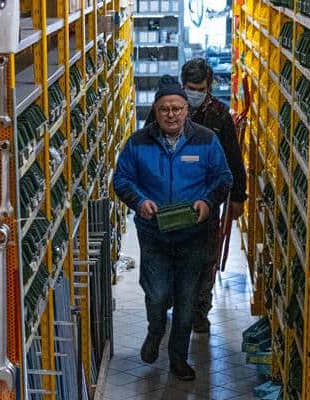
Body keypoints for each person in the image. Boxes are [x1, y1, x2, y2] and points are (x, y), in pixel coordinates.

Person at [113, 83, 233, 380]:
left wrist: (207, 202)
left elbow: (223, 177)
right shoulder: (138, 142)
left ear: (186, 110)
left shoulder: (206, 139)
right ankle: (155, 331)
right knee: (157, 294)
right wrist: (139, 201)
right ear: (155, 111)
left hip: (193, 234)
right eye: (164, 109)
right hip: (154, 233)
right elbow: (122, 179)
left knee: (186, 300)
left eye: (177, 109)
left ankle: (178, 358)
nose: (171, 115)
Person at [146, 59, 248, 333]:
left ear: (209, 87)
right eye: (190, 88)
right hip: (169, 198)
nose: (195, 93)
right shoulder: (165, 108)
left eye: (200, 89)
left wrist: (238, 196)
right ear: (183, 85)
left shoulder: (219, 115)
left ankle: (199, 310)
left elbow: (233, 158)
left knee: (205, 257)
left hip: (205, 200)